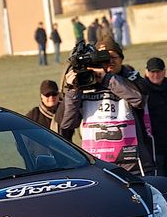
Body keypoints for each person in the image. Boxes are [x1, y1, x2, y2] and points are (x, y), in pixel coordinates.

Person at [61, 37, 154, 175]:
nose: (109, 61)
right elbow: (68, 124)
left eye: (113, 56)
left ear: (121, 59)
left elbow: (138, 99)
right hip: (98, 163)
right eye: (104, 57)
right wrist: (72, 90)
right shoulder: (85, 84)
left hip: (133, 162)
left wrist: (107, 79)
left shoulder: (132, 78)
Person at [140, 57, 167, 185]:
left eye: (158, 71)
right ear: (146, 72)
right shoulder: (142, 91)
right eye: (152, 72)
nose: (155, 75)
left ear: (164, 71)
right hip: (154, 149)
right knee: (161, 185)